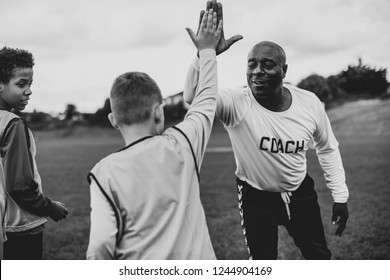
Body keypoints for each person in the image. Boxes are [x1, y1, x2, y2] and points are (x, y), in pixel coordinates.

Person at [183, 1, 349, 260]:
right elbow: (194, 97)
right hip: (254, 195)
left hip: (300, 193)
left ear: (284, 71)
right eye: (251, 64)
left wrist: (340, 195)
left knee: (320, 259)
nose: (257, 71)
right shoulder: (236, 102)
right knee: (261, 266)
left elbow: (327, 147)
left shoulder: (309, 103)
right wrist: (205, 54)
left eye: (268, 65)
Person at [86, 9, 223, 260]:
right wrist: (207, 51)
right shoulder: (183, 143)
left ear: (113, 121)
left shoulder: (102, 172)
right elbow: (205, 100)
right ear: (158, 112)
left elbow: (99, 247)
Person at [0, 47, 69, 260]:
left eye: (30, 84)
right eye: (21, 84)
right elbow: (19, 186)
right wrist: (49, 207)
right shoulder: (12, 124)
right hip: (21, 224)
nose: (28, 90)